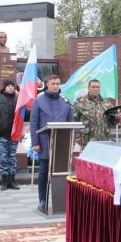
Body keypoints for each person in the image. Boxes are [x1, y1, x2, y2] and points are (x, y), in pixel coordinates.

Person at [30, 75, 73, 213]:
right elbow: (34, 122)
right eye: (53, 83)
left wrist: (71, 141)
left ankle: (61, 202)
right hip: (44, 142)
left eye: (58, 83)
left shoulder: (65, 101)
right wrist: (35, 142)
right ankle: (42, 200)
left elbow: (71, 123)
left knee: (61, 173)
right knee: (43, 172)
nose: (56, 86)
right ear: (47, 84)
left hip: (62, 143)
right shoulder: (39, 101)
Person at [0, 79, 20, 190]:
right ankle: (4, 181)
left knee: (12, 158)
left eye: (12, 86)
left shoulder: (18, 100)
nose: (11, 88)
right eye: (9, 86)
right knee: (3, 158)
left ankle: (12, 180)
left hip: (14, 134)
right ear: (4, 87)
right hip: (2, 134)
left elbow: (23, 116)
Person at [73, 79, 121, 147]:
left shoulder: (107, 103)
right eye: (93, 87)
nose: (95, 89)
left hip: (104, 140)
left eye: (97, 87)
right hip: (86, 141)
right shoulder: (80, 102)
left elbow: (112, 122)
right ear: (88, 88)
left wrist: (117, 118)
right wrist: (77, 137)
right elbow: (74, 121)